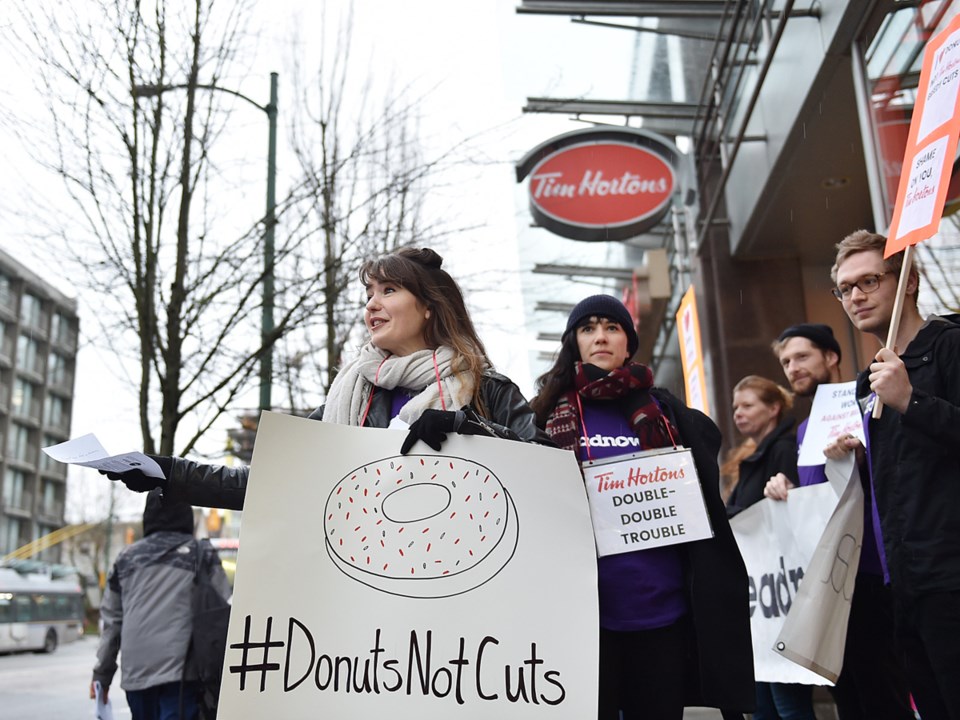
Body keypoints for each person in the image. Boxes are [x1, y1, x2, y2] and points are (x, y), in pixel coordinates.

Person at [103, 246, 547, 509]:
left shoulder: (488, 389)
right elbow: (269, 481)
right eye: (368, 294)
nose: (371, 305)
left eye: (388, 291)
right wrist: (167, 474)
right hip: (359, 599)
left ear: (429, 305)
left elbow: (552, 473)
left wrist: (468, 428)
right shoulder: (350, 394)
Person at [529, 294, 754, 720]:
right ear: (573, 341)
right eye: (588, 327)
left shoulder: (664, 410)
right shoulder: (544, 415)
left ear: (628, 343)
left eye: (612, 327)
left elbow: (703, 467)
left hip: (662, 612)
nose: (601, 336)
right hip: (586, 616)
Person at [825, 229, 960, 720]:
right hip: (901, 585)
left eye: (868, 281)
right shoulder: (869, 380)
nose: (855, 296)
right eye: (844, 288)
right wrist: (855, 463)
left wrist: (912, 401)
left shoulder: (949, 346)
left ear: (906, 281)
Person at [766, 323, 913, 720]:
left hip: (868, 572)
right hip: (828, 583)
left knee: (882, 689)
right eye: (785, 361)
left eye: (802, 357)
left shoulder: (872, 405)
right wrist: (784, 489)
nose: (792, 367)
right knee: (846, 695)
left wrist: (862, 458)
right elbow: (817, 496)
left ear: (831, 357)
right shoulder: (803, 431)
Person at [91, 490, 231, 720]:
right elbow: (222, 610)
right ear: (187, 514)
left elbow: (111, 624)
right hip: (184, 673)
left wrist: (101, 678)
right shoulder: (200, 553)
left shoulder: (125, 559)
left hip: (136, 674)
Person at [723, 375, 815, 720]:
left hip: (780, 598)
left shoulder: (782, 449)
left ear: (773, 408)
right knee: (766, 703)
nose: (738, 414)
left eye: (747, 405)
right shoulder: (754, 455)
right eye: (735, 407)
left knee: (787, 704)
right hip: (762, 600)